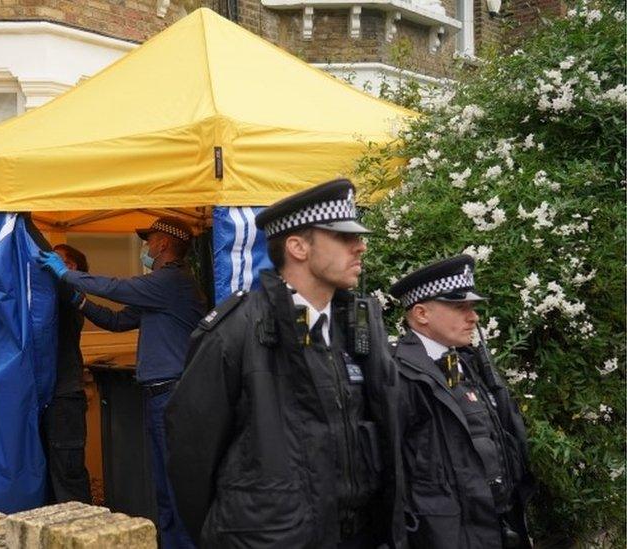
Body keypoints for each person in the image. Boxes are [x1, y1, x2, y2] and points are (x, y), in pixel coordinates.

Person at [165, 179, 405, 548]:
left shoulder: (357, 327)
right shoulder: (236, 332)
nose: (361, 247)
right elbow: (191, 453)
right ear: (297, 247)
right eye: (343, 237)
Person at [38, 217, 206, 549]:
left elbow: (117, 288)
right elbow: (118, 321)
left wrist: (67, 275)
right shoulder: (161, 290)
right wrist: (78, 300)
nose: (145, 246)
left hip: (173, 395)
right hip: (160, 396)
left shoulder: (170, 282)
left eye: (150, 240)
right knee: (165, 490)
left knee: (176, 489)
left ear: (162, 244)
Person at [389, 255, 534, 548]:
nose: (474, 317)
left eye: (472, 307)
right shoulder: (399, 375)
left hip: (497, 527)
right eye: (460, 307)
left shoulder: (466, 362)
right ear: (421, 314)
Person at [41, 244, 93, 504]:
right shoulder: (52, 295)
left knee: (67, 476)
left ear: (70, 267)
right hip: (50, 396)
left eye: (54, 258)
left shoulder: (71, 294)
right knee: (49, 476)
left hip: (65, 397)